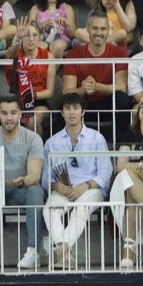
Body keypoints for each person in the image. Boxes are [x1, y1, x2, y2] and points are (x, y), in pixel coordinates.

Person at [41, 92, 111, 270]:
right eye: (67, 108)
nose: (71, 112)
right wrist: (57, 186)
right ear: (62, 113)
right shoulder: (52, 142)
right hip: (63, 189)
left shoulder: (96, 138)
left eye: (75, 108)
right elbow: (45, 178)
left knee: (80, 210)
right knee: (49, 210)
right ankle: (65, 254)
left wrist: (85, 186)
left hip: (90, 189)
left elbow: (105, 172)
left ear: (83, 112)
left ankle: (59, 249)